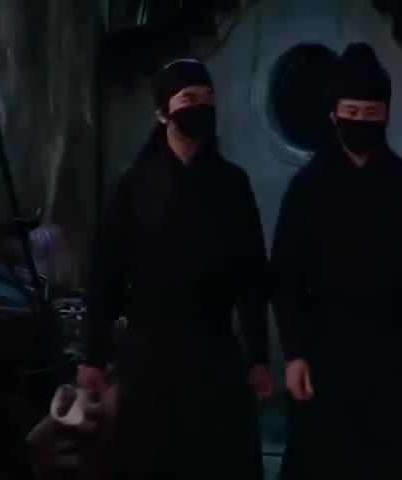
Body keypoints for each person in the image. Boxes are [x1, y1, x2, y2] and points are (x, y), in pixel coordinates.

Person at [78, 58, 273, 480]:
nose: (200, 106)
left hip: (215, 351)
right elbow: (105, 273)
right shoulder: (133, 184)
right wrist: (94, 355)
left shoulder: (232, 184)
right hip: (149, 355)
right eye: (188, 98)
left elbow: (252, 277)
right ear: (163, 113)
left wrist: (259, 356)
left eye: (207, 98)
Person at [272, 43, 402, 480]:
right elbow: (285, 275)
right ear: (334, 114)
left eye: (371, 114)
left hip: (391, 354)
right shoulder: (307, 188)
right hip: (324, 354)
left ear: (386, 115)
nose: (361, 122)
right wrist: (293, 354)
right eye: (352, 112)